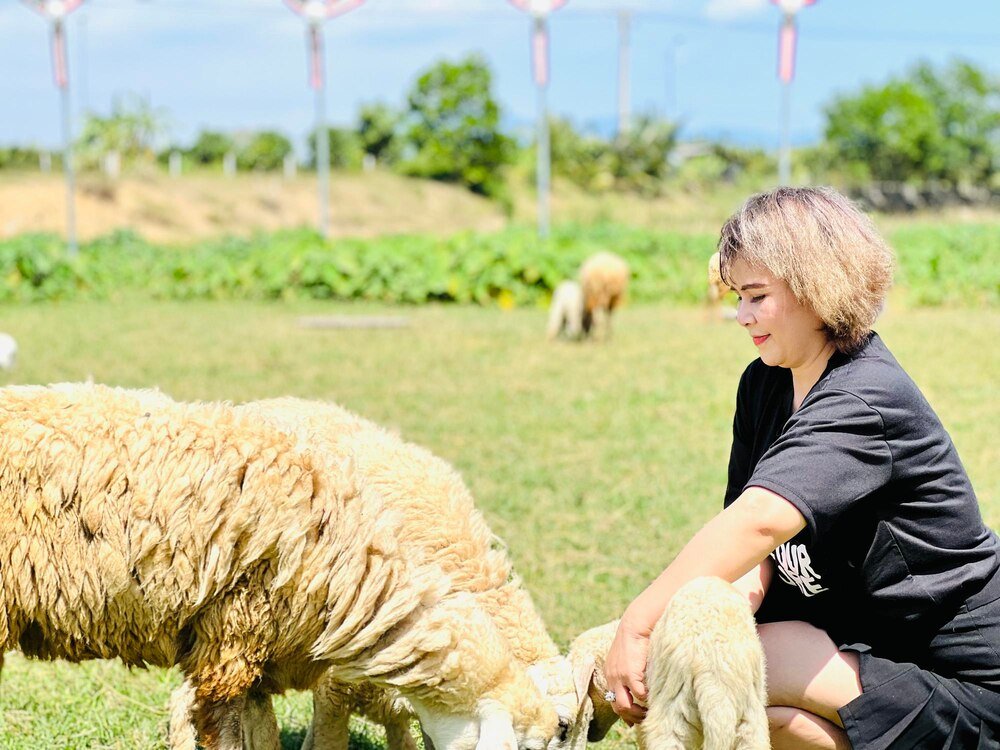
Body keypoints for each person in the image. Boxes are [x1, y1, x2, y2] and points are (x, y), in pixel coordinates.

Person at [604, 186, 1000, 749]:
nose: (740, 316)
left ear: (817, 288)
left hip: (966, 678)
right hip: (860, 649)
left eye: (756, 296)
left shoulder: (864, 397)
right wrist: (714, 618)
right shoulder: (764, 383)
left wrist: (641, 622)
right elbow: (754, 551)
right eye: (737, 296)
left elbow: (761, 520)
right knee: (723, 680)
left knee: (738, 671)